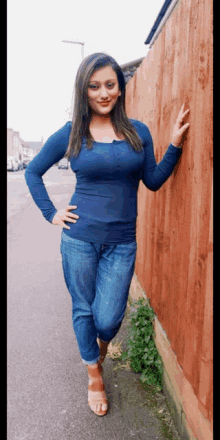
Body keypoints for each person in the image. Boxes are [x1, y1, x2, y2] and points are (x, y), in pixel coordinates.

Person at [25, 52, 190, 417]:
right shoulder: (72, 133)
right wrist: (51, 213)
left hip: (122, 242)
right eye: (94, 86)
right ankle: (93, 372)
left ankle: (96, 347)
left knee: (110, 318)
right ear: (83, 91)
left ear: (120, 87)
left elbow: (153, 181)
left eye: (110, 85)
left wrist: (175, 146)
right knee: (83, 308)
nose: (103, 93)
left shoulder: (138, 131)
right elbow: (33, 172)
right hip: (79, 238)